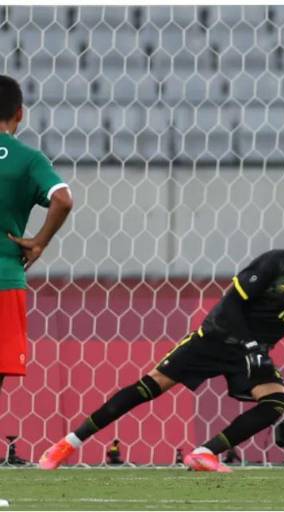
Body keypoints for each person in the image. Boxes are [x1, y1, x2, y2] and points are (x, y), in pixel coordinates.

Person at [39, 209, 284, 472]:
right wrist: (251, 346)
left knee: (277, 403)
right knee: (149, 386)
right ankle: (66, 445)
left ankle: (205, 453)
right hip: (215, 337)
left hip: (251, 354)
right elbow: (232, 304)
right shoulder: (275, 264)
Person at [0, 75, 73, 506]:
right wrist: (40, 241)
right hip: (3, 280)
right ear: (20, 114)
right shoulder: (26, 158)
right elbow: (63, 198)